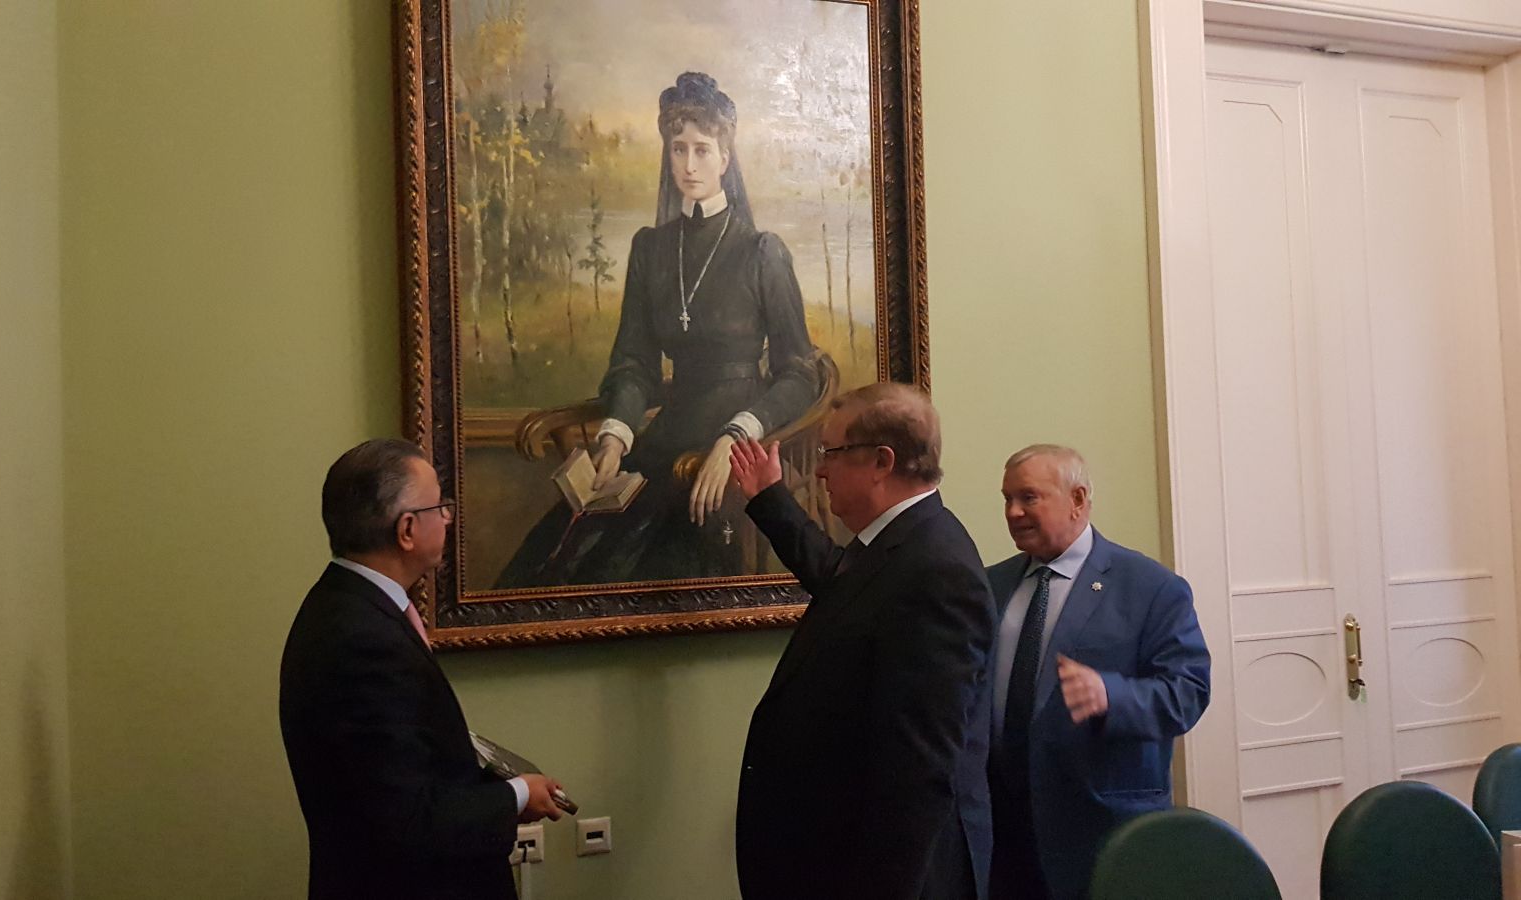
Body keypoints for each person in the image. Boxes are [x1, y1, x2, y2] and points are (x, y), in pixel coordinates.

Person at [497, 71, 817, 587]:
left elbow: (799, 374)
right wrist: (615, 438)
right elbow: (633, 361)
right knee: (564, 555)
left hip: (733, 434)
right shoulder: (651, 249)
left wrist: (737, 437)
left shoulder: (762, 252)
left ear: (725, 158)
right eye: (678, 149)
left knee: (654, 560)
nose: (689, 165)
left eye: (702, 150)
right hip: (667, 433)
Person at [729, 383, 997, 900]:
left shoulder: (937, 572)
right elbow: (840, 580)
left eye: (831, 452)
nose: (820, 470)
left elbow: (918, 773)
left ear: (881, 461)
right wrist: (768, 497)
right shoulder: (899, 543)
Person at [280, 439, 566, 900]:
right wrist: (516, 795)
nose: (448, 517)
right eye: (439, 506)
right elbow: (408, 820)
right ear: (407, 529)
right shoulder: (363, 640)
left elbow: (404, 766)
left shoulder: (345, 606)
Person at [986, 444, 1211, 900]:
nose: (1013, 512)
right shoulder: (992, 584)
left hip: (1099, 827)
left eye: (1029, 497)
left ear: (1078, 499)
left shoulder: (1150, 587)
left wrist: (1111, 695)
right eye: (1007, 499)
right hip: (1002, 828)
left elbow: (1188, 692)